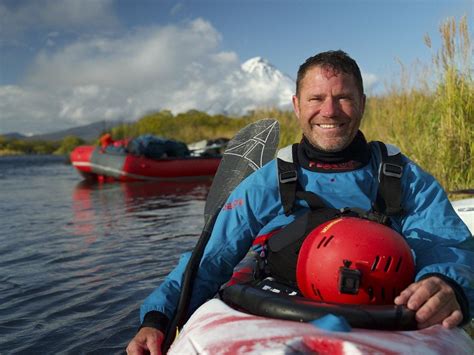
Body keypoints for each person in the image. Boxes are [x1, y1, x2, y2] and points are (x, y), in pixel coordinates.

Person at [126, 50, 473, 354]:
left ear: (363, 103)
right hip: (275, 296)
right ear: (296, 105)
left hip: (384, 303)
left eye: (344, 98)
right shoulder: (270, 180)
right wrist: (158, 318)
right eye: (315, 98)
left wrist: (446, 282)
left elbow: (446, 242)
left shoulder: (401, 175)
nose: (330, 110)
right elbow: (212, 257)